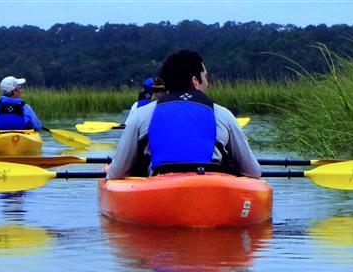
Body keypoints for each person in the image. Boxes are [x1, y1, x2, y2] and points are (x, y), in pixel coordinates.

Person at [107, 50, 259, 180]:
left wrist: (110, 170)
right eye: (206, 77)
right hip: (211, 188)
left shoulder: (141, 115)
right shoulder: (223, 114)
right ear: (195, 80)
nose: (207, 83)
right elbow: (253, 171)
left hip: (160, 189)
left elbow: (117, 173)